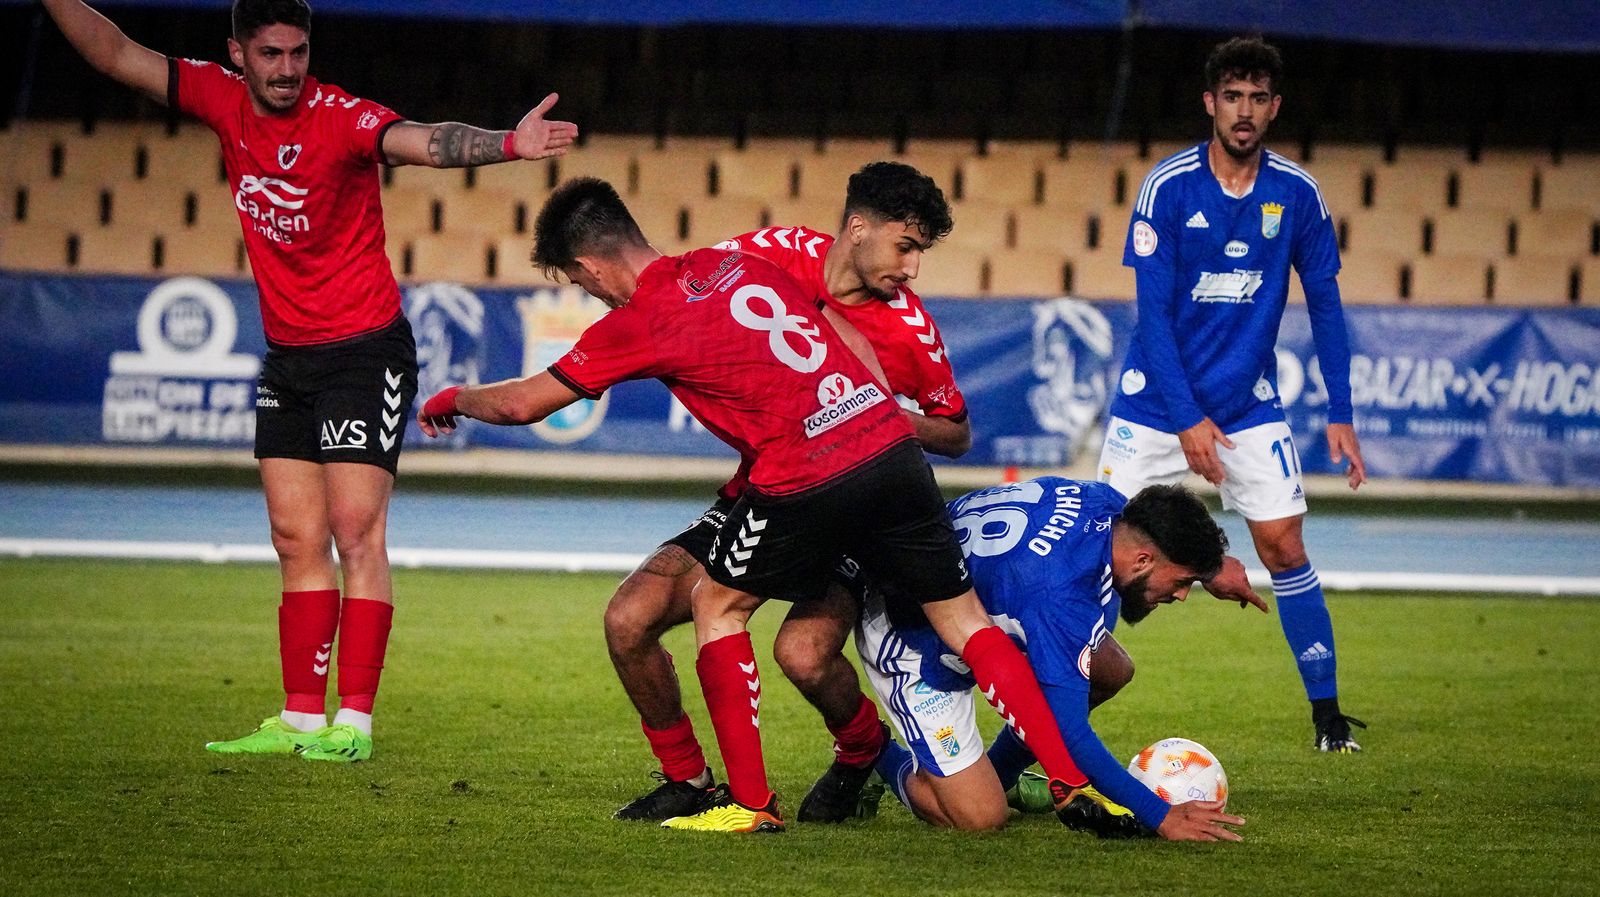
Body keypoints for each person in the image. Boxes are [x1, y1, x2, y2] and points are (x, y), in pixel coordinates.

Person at [418, 178, 1098, 833]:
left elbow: (520, 403)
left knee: (720, 604)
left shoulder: (645, 316)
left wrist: (453, 398)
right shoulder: (739, 261)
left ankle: (750, 804)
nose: (587, 294)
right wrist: (861, 402)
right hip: (888, 446)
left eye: (576, 282)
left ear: (591, 266)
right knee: (963, 619)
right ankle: (1070, 777)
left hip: (805, 472)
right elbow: (841, 330)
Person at [40, 0, 577, 762]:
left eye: (298, 52)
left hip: (365, 351)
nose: (287, 68)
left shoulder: (341, 117)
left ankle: (352, 723)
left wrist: (506, 144)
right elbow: (112, 51)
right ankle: (297, 717)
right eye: (270, 54)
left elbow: (423, 141)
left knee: (356, 532)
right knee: (295, 537)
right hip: (287, 356)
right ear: (238, 54)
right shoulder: (218, 98)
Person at [604, 161, 971, 825]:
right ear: (858, 229)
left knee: (801, 655)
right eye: (907, 248)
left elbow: (956, 432)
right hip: (763, 491)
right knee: (629, 619)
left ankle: (861, 751)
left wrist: (874, 412)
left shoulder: (911, 329)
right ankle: (690, 779)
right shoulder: (777, 252)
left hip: (852, 505)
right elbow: (685, 284)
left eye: (920, 253)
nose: (912, 271)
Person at [1098, 36, 1368, 752]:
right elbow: (1150, 316)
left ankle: (1328, 716)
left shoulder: (1298, 195)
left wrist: (1340, 409)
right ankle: (1053, 726)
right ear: (1210, 103)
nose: (1244, 112)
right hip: (1154, 406)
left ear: (1274, 109)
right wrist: (1187, 418)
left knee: (1283, 546)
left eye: (1258, 99)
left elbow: (1328, 305)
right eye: (1233, 97)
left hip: (1247, 404)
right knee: (1097, 551)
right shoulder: (1168, 187)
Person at [857, 477, 1250, 841]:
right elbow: (1071, 734)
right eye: (1182, 583)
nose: (1181, 596)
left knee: (1109, 668)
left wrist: (1207, 569)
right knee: (980, 817)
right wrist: (1160, 815)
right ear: (1143, 560)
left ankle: (999, 774)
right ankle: (876, 753)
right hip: (910, 638)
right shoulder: (1060, 595)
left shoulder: (1108, 507)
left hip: (976, 608)